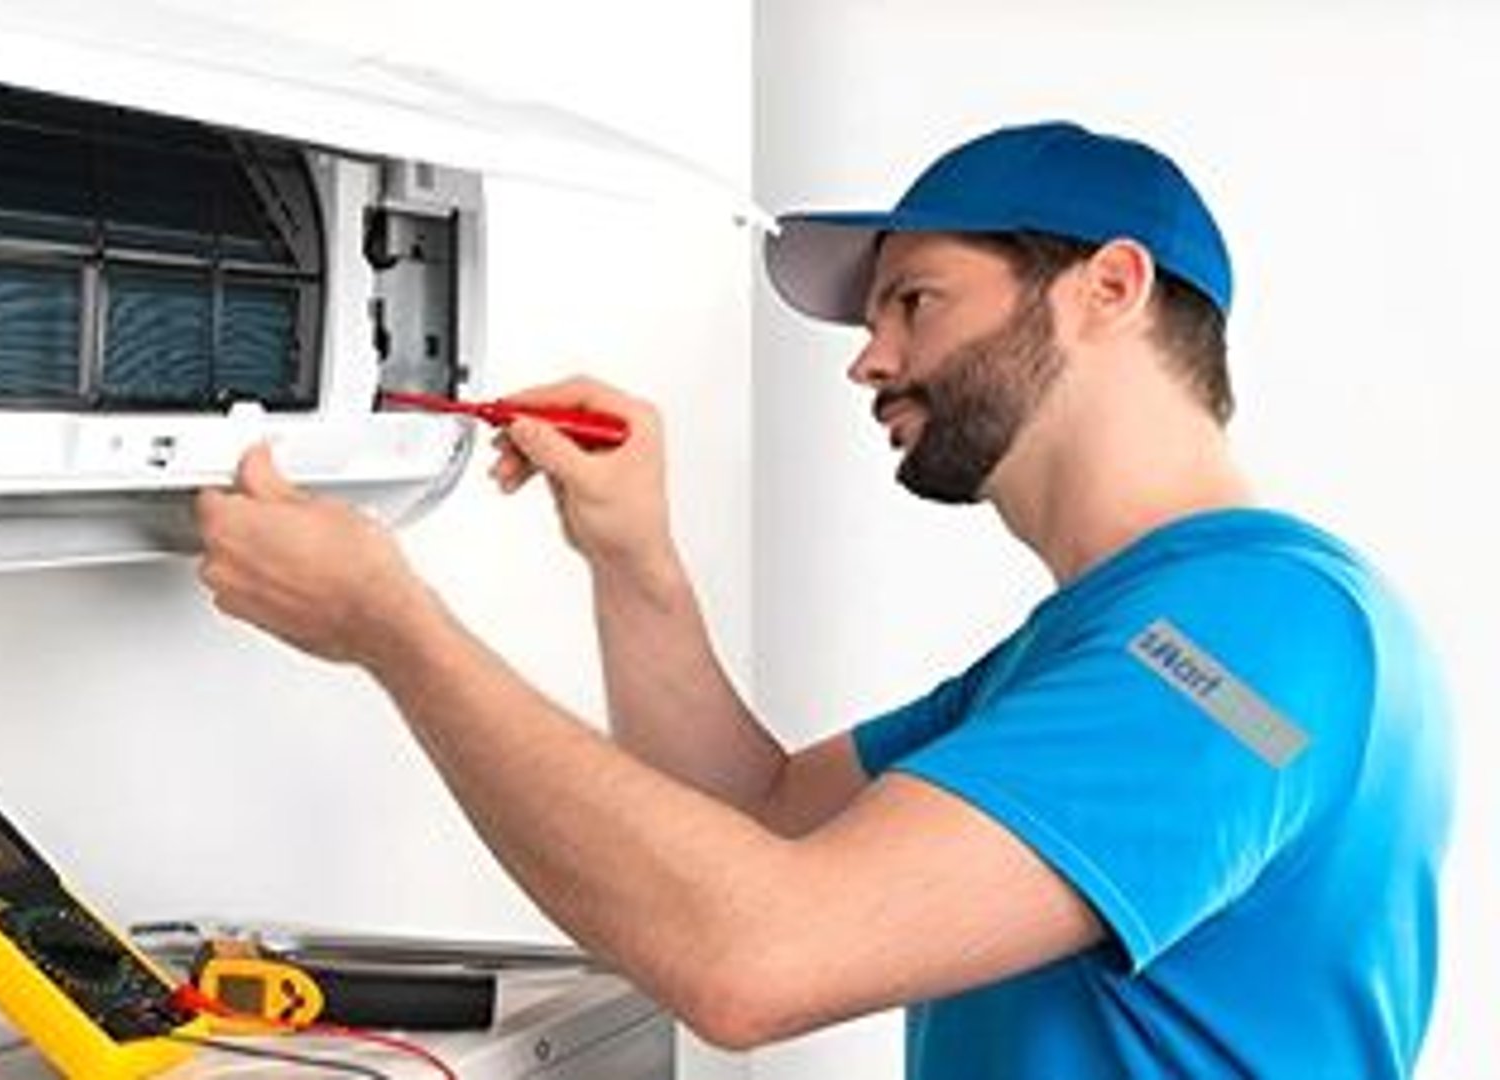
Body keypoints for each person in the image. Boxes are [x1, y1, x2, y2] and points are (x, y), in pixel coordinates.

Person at [193, 121, 1453, 1078]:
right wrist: (636, 563)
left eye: (916, 299)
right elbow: (765, 816)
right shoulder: (1118, 636)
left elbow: (757, 959)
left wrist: (396, 632)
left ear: (1108, 290)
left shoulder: (1246, 646)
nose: (871, 356)